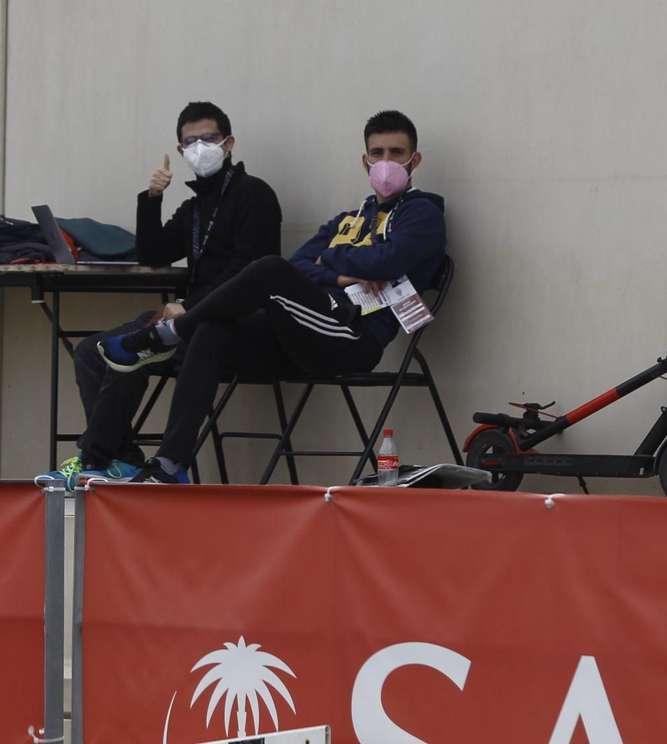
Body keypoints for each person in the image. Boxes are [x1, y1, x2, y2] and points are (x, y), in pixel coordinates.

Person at [95, 110, 446, 484]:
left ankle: (167, 334)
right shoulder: (347, 219)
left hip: (351, 336)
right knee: (212, 330)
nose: (386, 162)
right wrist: (341, 273)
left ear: (415, 160)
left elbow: (386, 259)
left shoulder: (423, 214)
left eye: (397, 152)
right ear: (365, 161)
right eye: (378, 153)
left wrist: (328, 257)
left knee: (268, 269)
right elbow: (300, 263)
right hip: (302, 331)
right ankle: (170, 464)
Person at [38, 102, 282, 488]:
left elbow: (248, 271)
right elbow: (152, 254)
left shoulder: (255, 195)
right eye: (190, 142)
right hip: (186, 320)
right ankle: (122, 459)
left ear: (229, 142)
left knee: (136, 347)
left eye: (210, 138)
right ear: (181, 151)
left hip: (234, 323)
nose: (200, 147)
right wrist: (152, 198)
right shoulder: (194, 207)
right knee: (91, 351)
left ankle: (95, 456)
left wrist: (188, 307)